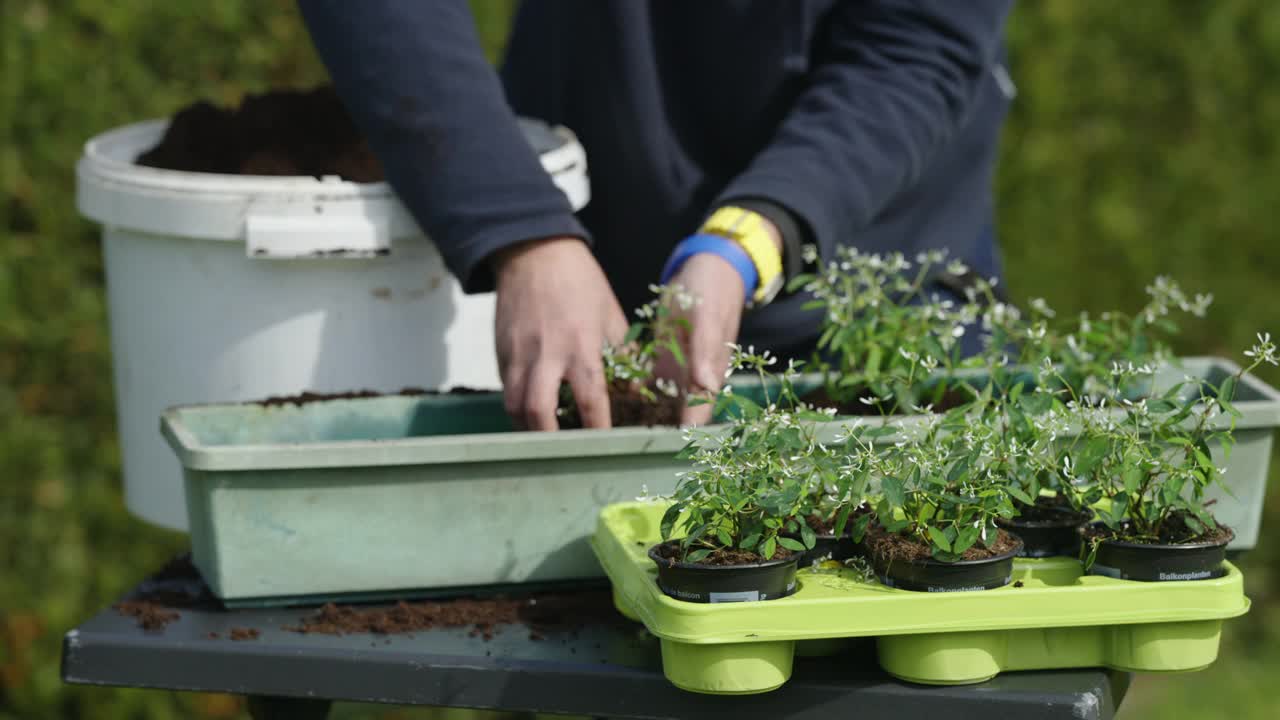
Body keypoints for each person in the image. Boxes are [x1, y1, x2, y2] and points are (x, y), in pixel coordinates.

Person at [297, 0, 1015, 430]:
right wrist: (524, 234)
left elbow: (915, 49)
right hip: (586, 304)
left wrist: (745, 243)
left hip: (881, 303)